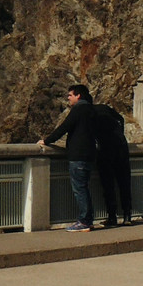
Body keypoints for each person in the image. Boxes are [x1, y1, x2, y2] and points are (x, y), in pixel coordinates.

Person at [38, 84, 97, 232]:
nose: (68, 98)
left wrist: (46, 141)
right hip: (90, 154)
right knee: (84, 188)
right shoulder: (91, 110)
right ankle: (88, 220)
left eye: (70, 95)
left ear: (78, 95)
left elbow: (64, 127)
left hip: (78, 155)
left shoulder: (79, 109)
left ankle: (84, 221)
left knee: (80, 190)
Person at [93, 101, 133, 227]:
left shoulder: (89, 113)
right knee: (124, 183)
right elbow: (121, 118)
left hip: (106, 150)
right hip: (121, 147)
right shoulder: (105, 109)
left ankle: (112, 217)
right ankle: (127, 216)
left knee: (108, 185)